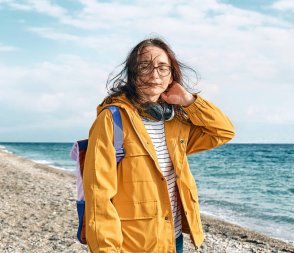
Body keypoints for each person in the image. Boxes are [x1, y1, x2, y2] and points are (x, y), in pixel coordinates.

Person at [83, 37, 235, 253]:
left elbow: (223, 131)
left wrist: (190, 101)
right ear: (132, 74)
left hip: (172, 241)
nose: (154, 75)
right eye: (145, 66)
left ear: (172, 75)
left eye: (163, 68)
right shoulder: (111, 120)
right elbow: (98, 195)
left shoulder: (177, 123)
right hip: (132, 245)